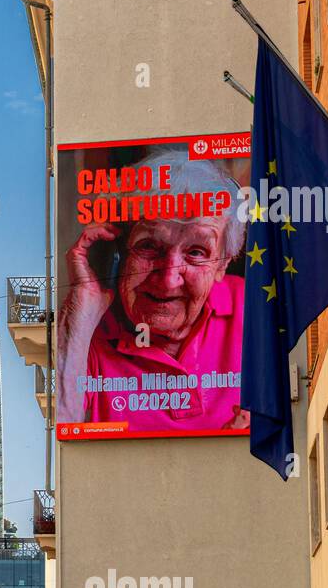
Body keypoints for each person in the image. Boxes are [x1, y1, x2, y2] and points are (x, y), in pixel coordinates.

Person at [55, 148, 249, 432]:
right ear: (118, 247)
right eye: (148, 246)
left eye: (196, 252)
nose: (169, 279)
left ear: (223, 265)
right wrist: (78, 319)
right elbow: (58, 446)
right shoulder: (88, 334)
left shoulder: (255, 310)